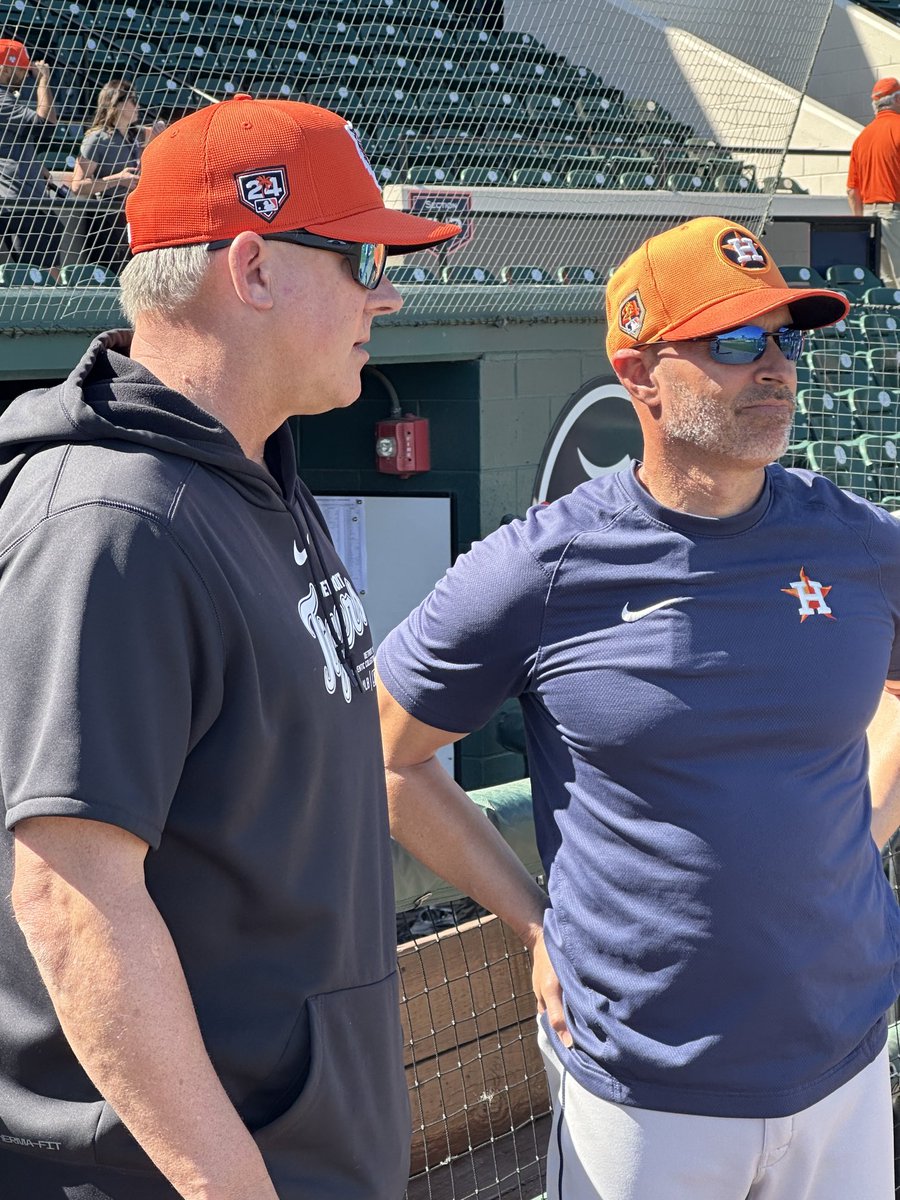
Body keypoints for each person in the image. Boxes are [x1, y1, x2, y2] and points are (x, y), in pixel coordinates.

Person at [376, 215, 900, 1200]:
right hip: (644, 1089)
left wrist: (859, 828)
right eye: (737, 343)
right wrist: (535, 926)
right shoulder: (542, 565)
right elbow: (387, 754)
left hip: (845, 1062)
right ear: (640, 371)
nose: (776, 367)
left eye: (786, 338)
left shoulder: (860, 544)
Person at [0, 94, 460, 1200]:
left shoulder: (253, 476)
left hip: (303, 1149)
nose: (388, 291)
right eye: (360, 258)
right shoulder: (114, 523)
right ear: (251, 270)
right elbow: (73, 898)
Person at [69, 79, 165, 271]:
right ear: (117, 104)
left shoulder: (136, 135)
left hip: (135, 216)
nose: (138, 106)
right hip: (108, 220)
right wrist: (118, 179)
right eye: (133, 100)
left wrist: (158, 137)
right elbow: (78, 185)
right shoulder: (97, 138)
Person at [0, 37, 61, 273]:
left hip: (20, 197)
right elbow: (46, 124)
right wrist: (43, 80)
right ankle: (55, 306)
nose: (27, 75)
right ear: (6, 68)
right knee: (46, 236)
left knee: (50, 229)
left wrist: (36, 165)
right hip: (14, 199)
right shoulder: (2, 98)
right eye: (22, 69)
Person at [847, 76, 900, 287]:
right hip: (895, 214)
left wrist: (860, 223)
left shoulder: (862, 138)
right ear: (897, 100)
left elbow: (852, 190)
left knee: (887, 283)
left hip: (870, 217)